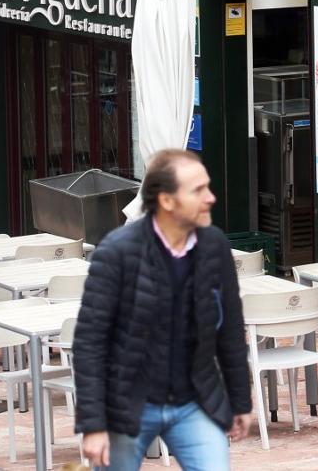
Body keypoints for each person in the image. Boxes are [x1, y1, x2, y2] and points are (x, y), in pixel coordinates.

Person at [72, 149, 252, 470]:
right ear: (167, 201)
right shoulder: (116, 251)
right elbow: (90, 343)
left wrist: (240, 402)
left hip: (195, 402)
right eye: (198, 190)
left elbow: (231, 332)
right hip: (127, 405)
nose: (210, 198)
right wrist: (93, 424)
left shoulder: (215, 246)